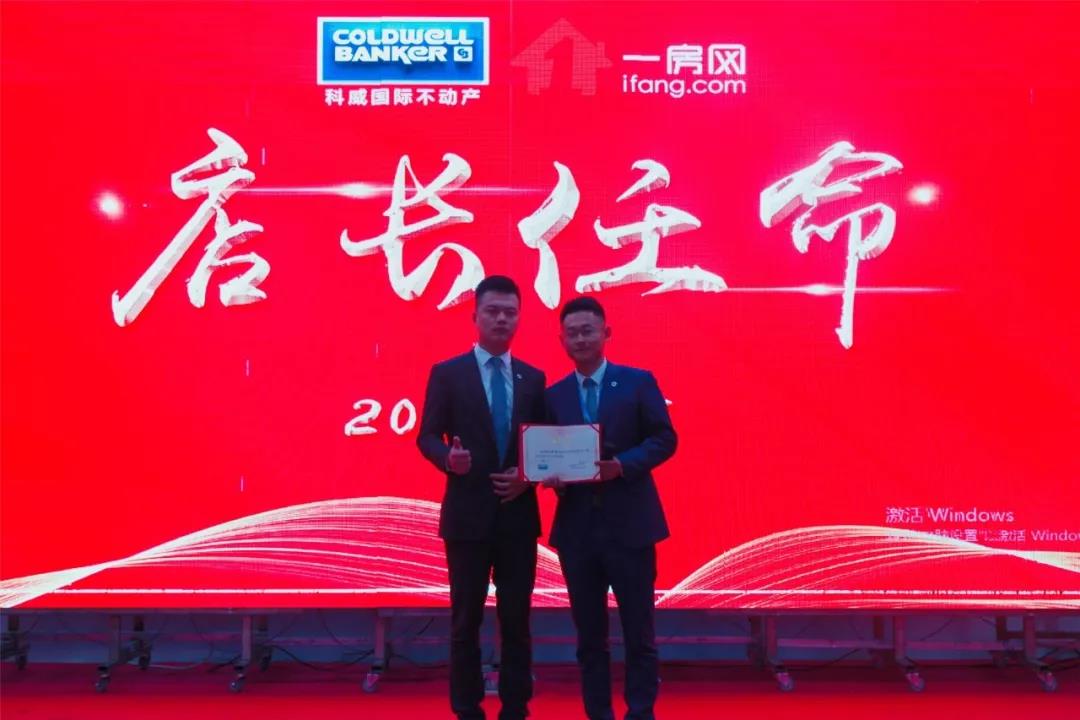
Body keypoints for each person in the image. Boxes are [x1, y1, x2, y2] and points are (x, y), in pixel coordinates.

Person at [417, 275, 547, 720]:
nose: (501, 319)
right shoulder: (447, 373)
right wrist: (447, 459)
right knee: (465, 619)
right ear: (475, 316)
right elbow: (427, 436)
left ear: (519, 318)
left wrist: (528, 477)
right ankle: (467, 708)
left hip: (517, 516)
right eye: (493, 311)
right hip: (467, 517)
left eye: (510, 312)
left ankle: (516, 707)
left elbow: (543, 445)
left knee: (517, 620)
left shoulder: (533, 378)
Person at [543, 296, 677, 720]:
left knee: (639, 633)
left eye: (588, 330)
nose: (581, 339)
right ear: (562, 340)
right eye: (572, 333)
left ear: (606, 333)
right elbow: (545, 452)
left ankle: (641, 712)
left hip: (631, 527)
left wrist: (622, 465)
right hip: (578, 531)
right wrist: (551, 476)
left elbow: (664, 439)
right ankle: (598, 713)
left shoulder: (637, 382)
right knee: (589, 637)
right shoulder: (553, 396)